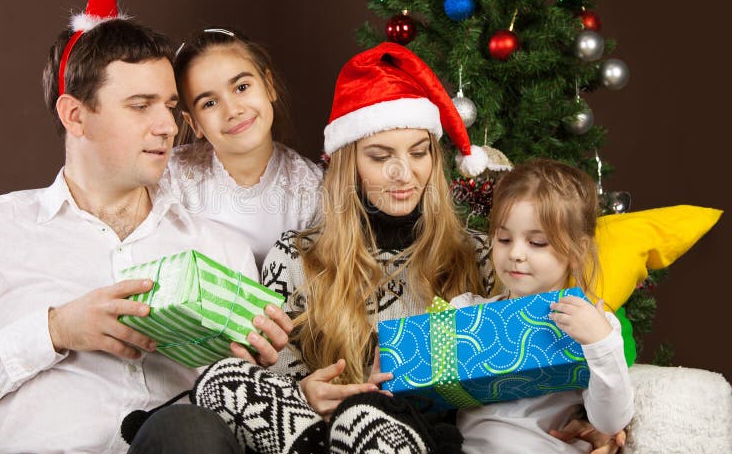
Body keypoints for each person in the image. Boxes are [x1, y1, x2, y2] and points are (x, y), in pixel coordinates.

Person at [0, 0, 289, 454]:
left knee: (190, 430)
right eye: (141, 106)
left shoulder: (220, 249)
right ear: (75, 116)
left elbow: (241, 406)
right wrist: (54, 331)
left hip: (169, 445)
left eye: (170, 106)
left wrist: (254, 379)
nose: (168, 126)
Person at [190, 43, 628, 454]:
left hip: (423, 440)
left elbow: (559, 343)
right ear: (349, 164)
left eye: (419, 153)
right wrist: (303, 395)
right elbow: (271, 375)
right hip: (319, 435)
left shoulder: (486, 254)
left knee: (368, 416)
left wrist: (599, 416)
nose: (403, 173)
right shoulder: (296, 259)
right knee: (224, 379)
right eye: (380, 157)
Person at [450, 158, 634, 453]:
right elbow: (425, 398)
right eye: (504, 238)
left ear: (577, 252)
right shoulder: (466, 313)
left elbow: (611, 421)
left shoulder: (592, 326)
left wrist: (601, 343)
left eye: (537, 243)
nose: (516, 253)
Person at [165, 28, 323, 267]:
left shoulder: (311, 190)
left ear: (269, 86)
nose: (233, 111)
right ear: (194, 123)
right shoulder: (172, 177)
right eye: (210, 103)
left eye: (241, 87)